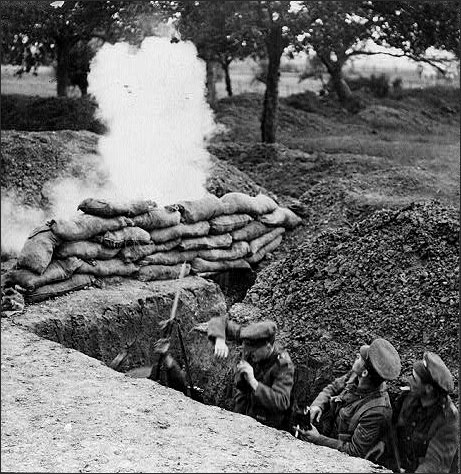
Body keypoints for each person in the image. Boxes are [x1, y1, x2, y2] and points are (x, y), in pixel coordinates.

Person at [296, 338, 401, 462]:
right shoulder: (356, 375)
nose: (357, 356)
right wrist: (318, 405)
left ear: (365, 373)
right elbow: (333, 387)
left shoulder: (377, 411)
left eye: (360, 358)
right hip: (332, 434)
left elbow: (355, 451)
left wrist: (318, 439)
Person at [207, 315, 295, 430]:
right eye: (247, 350)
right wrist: (220, 339)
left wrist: (253, 382)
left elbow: (282, 402)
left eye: (253, 352)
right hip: (240, 412)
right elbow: (218, 321)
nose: (249, 354)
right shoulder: (249, 337)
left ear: (268, 347)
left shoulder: (283, 365)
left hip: (264, 424)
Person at [393, 351, 459, 473]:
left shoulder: (448, 419)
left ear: (428, 388)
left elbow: (434, 465)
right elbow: (392, 428)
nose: (408, 380)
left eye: (414, 379)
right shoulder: (408, 397)